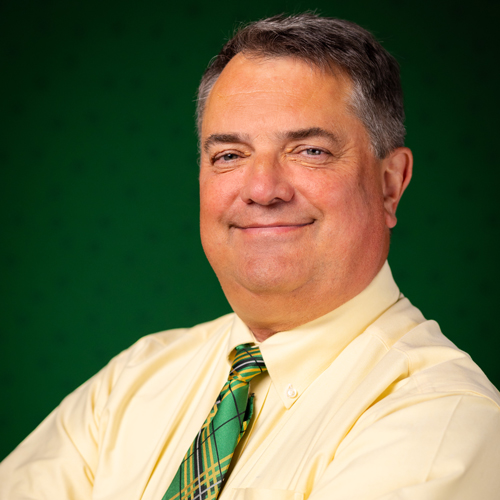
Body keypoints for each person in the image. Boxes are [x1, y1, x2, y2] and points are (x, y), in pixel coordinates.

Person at [1, 13, 499, 500]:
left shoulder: (443, 419)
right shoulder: (133, 383)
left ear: (390, 185)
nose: (262, 189)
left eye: (310, 151)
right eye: (230, 156)